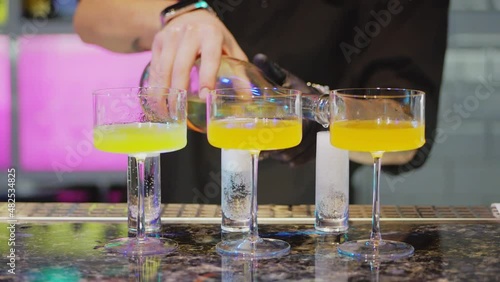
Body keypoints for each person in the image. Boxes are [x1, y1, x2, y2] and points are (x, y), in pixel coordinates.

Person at [74, 0, 449, 204]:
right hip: (177, 211)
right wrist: (181, 14)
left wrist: (317, 110)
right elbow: (89, 15)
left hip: (304, 217)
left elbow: (405, 127)